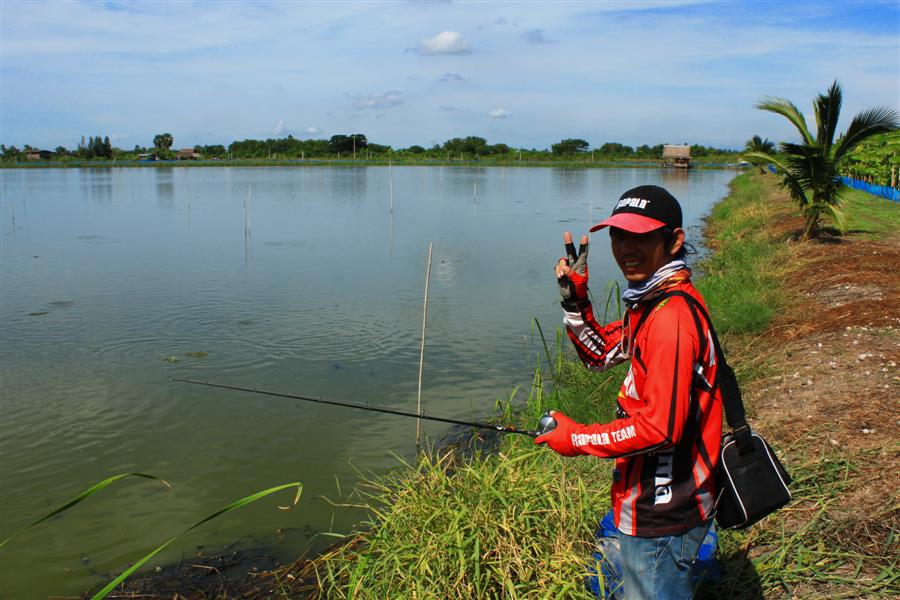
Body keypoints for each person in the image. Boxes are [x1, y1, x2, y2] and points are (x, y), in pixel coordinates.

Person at [535, 185, 723, 600]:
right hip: (658, 497)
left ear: (673, 240)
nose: (625, 249)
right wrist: (575, 298)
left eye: (640, 236)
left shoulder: (669, 317)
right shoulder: (651, 303)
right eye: (618, 236)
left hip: (665, 509)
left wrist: (577, 437)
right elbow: (600, 354)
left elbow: (660, 428)